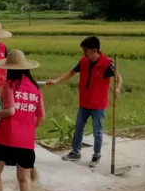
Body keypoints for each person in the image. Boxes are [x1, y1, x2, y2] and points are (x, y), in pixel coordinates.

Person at [46, 36, 122, 167]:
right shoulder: (83, 61)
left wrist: (118, 88)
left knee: (97, 131)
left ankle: (96, 155)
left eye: (86, 50)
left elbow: (118, 77)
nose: (84, 53)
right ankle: (76, 152)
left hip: (98, 105)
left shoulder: (107, 63)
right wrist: (56, 81)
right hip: (84, 102)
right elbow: (71, 73)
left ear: (94, 50)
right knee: (78, 128)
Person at [0, 50, 44, 191]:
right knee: (24, 179)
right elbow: (41, 116)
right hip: (26, 140)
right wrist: (28, 130)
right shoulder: (34, 88)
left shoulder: (9, 84)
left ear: (9, 68)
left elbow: (10, 111)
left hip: (6, 137)